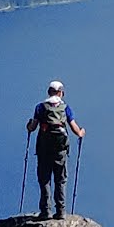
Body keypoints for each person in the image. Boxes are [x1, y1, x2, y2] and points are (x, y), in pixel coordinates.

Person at [26, 80, 85, 219]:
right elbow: (74, 128)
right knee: (60, 179)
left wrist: (28, 126)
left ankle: (46, 211)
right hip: (60, 148)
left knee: (44, 178)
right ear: (61, 93)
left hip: (44, 148)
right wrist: (81, 133)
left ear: (49, 92)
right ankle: (61, 211)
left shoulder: (40, 107)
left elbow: (32, 127)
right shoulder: (65, 108)